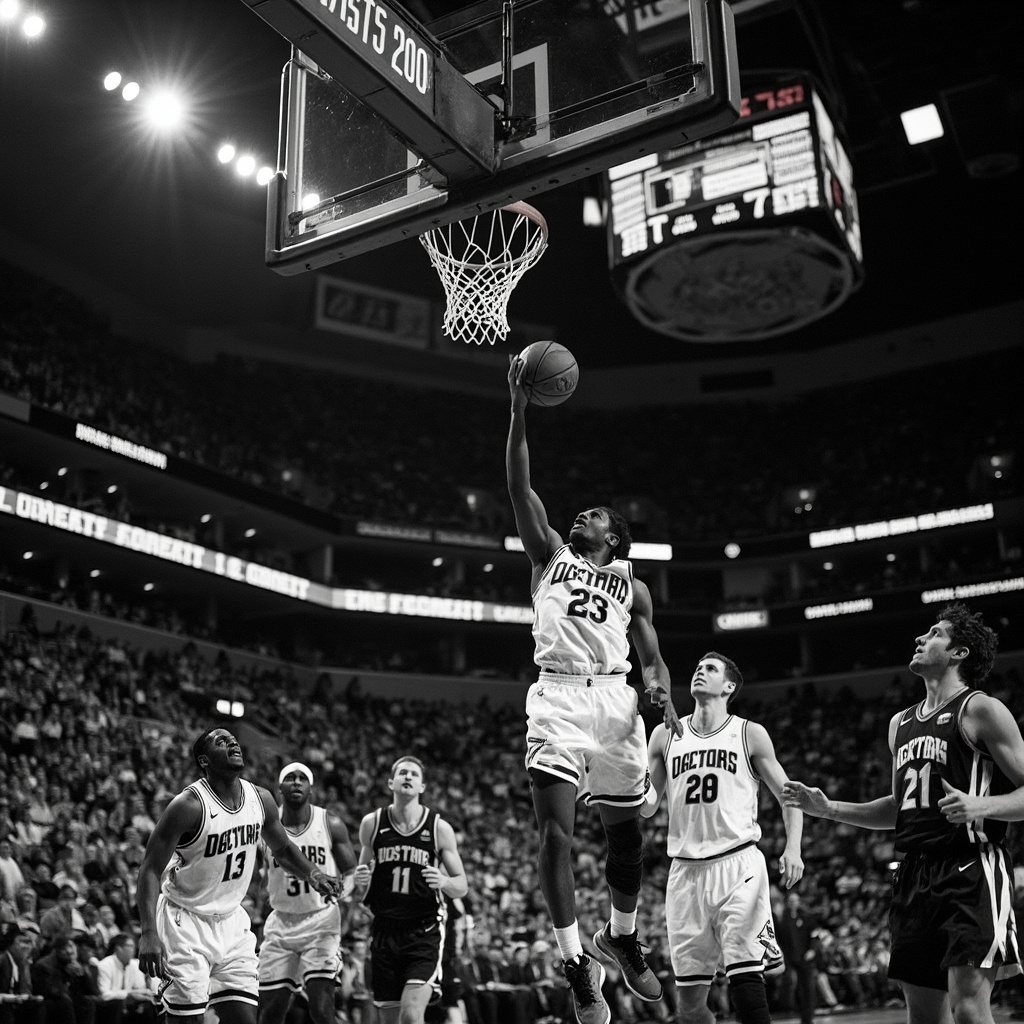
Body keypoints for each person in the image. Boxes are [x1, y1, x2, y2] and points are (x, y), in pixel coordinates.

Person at [505, 356, 680, 1024]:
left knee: (626, 838)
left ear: (616, 538)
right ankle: (577, 964)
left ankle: (622, 936)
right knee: (555, 835)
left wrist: (660, 693)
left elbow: (654, 661)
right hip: (557, 698)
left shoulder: (634, 586)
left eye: (597, 515)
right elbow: (519, 485)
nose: (584, 514)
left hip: (616, 702)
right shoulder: (549, 554)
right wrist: (519, 410)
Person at [783, 602, 1023, 1024]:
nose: (920, 638)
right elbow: (899, 807)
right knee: (924, 1017)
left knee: (969, 1008)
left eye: (934, 634)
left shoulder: (981, 709)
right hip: (913, 874)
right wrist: (829, 808)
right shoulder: (900, 724)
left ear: (959, 653)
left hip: (969, 867)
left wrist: (981, 805)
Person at [135, 727, 343, 1023]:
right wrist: (148, 933)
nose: (233, 743)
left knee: (245, 1018)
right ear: (205, 761)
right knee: (186, 1018)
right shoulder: (188, 806)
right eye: (222, 742)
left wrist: (314, 874)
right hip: (185, 921)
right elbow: (150, 869)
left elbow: (283, 849)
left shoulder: (261, 799)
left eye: (233, 740)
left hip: (232, 921)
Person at [643, 651, 802, 1024]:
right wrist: (618, 783)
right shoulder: (665, 734)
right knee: (690, 1007)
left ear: (729, 686)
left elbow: (790, 796)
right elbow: (648, 806)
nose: (700, 671)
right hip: (685, 873)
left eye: (710, 669)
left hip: (738, 864)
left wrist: (793, 847)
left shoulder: (749, 733)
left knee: (744, 979)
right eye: (698, 667)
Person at [351, 755, 468, 1024]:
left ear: (422, 787)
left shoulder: (438, 828)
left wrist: (444, 882)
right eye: (403, 772)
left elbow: (462, 885)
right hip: (384, 930)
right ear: (391, 783)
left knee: (411, 1015)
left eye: (414, 774)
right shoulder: (372, 824)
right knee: (391, 1020)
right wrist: (360, 880)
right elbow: (361, 886)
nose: (408, 777)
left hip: (423, 930)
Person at [257, 761, 357, 1024]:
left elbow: (351, 871)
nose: (297, 782)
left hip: (321, 921)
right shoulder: (264, 827)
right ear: (279, 788)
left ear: (311, 789)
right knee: (270, 1013)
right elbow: (256, 874)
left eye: (303, 778)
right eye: (290, 778)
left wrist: (342, 893)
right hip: (281, 922)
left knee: (321, 1009)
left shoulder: (330, 823)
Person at [31, 934, 98, 1024]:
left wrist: (82, 973)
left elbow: (91, 991)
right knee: (65, 1002)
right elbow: (53, 991)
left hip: (68, 999)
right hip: (50, 1002)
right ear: (57, 951)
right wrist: (66, 974)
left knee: (87, 1002)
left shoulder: (74, 962)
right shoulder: (44, 965)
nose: (69, 951)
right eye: (64, 948)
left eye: (71, 946)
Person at [774, 890, 817, 1024]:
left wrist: (812, 950)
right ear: (787, 903)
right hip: (789, 958)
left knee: (808, 988)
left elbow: (815, 935)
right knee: (792, 985)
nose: (793, 903)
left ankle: (808, 1018)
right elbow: (777, 938)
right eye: (791, 901)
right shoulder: (782, 919)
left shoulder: (806, 917)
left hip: (805, 958)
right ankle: (792, 1010)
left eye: (795, 900)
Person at [94, 933, 157, 1024]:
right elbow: (105, 995)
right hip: (110, 1007)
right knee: (118, 1005)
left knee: (149, 1004)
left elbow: (139, 988)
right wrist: (129, 994)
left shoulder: (135, 964)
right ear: (118, 948)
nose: (133, 949)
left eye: (134, 946)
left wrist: (142, 995)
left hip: (129, 1005)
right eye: (130, 946)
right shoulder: (104, 965)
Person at [0, 925, 43, 1024]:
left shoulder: (23, 963)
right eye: (24, 942)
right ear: (10, 943)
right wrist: (13, 999)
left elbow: (25, 991)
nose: (28, 947)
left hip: (14, 1005)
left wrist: (30, 998)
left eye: (30, 943)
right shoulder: (2, 961)